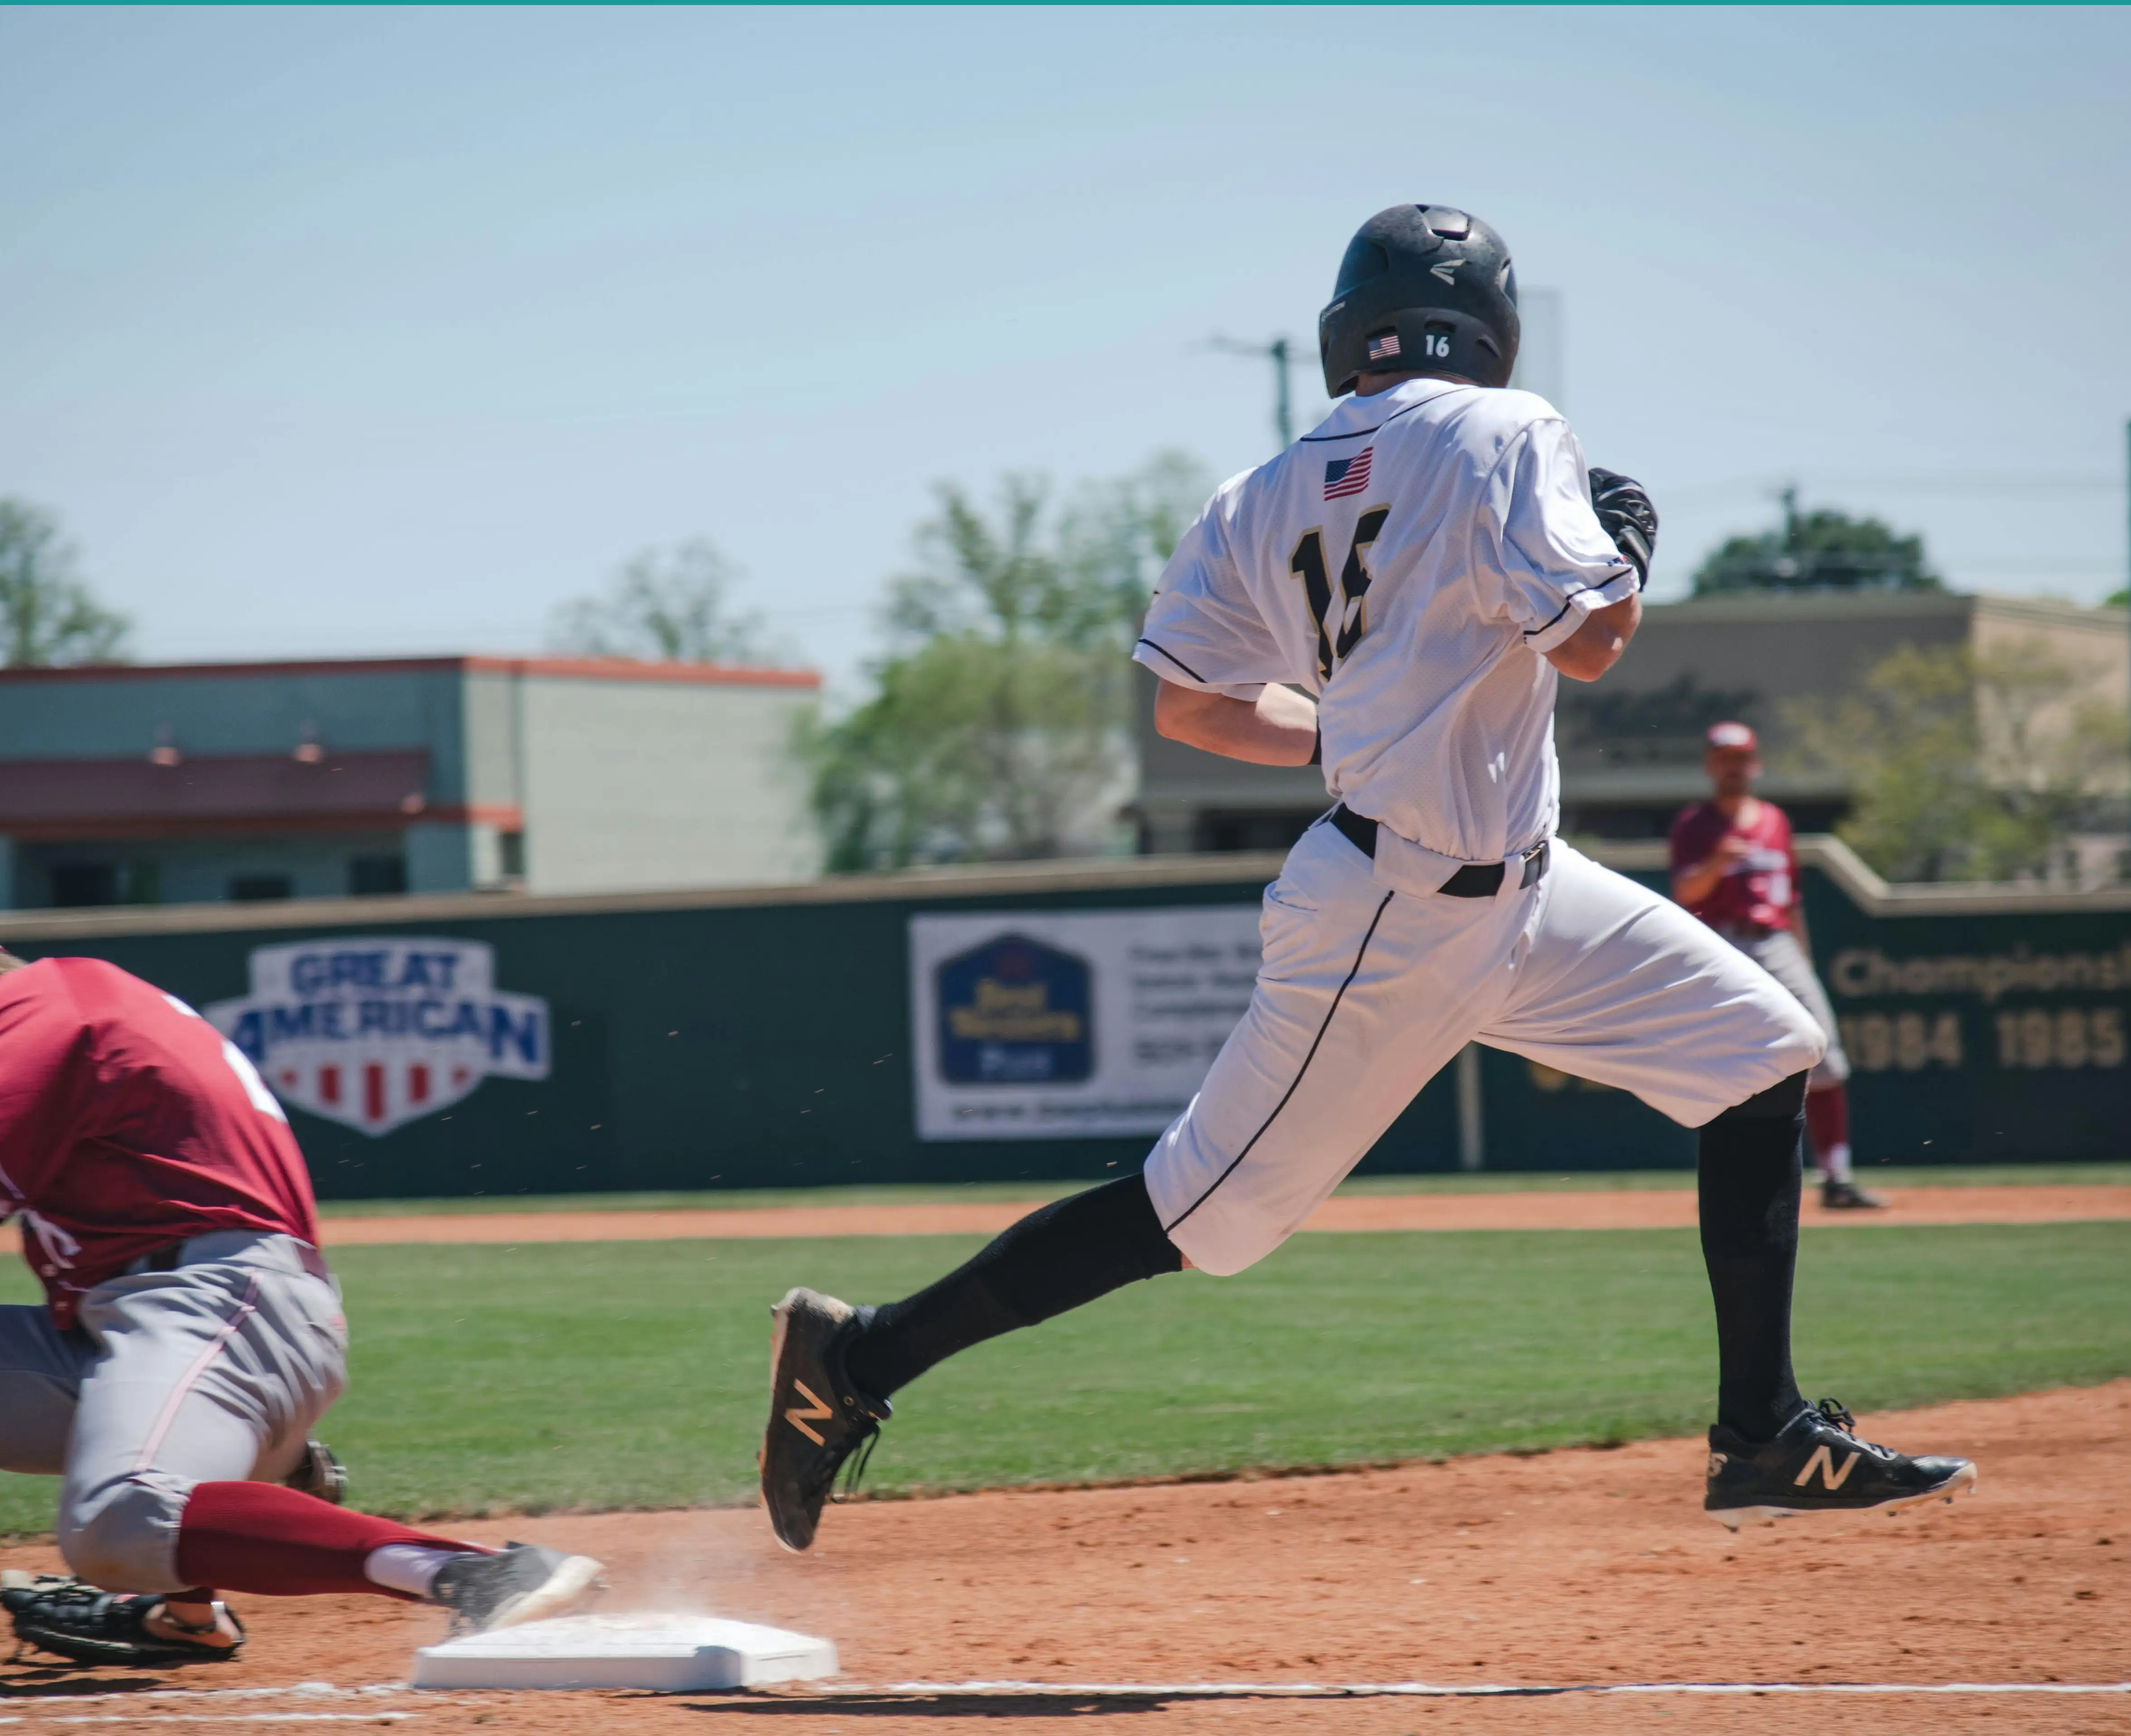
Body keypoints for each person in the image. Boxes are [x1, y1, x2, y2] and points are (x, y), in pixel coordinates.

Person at [759, 203, 1974, 1551]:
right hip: (1395, 912)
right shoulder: (1510, 429)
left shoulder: (1262, 487)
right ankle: (857, 1357)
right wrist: (1628, 545)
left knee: (1762, 1050)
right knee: (1200, 1212)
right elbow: (1594, 644)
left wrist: (1349, 725)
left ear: (1350, 331)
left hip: (1521, 884)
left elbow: (1190, 708)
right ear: (1492, 326)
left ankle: (1763, 1429)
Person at [0, 935, 603, 1666]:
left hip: (225, 1305)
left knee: (116, 1521)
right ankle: (190, 1601)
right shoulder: (84, 1011)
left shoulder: (38, 1004)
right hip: (157, 1324)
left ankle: (475, 1573)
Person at [1668, 722, 1887, 1210]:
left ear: (1756, 763)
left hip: (1777, 942)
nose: (1734, 766)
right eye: (1724, 757)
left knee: (1822, 1051)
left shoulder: (1773, 820)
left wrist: (1802, 956)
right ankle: (1732, 1180)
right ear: (1710, 765)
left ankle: (1838, 1177)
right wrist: (1717, 861)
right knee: (1722, 1062)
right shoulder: (1695, 825)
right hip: (1721, 941)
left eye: (1742, 757)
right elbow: (1685, 894)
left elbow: (1791, 900)